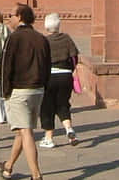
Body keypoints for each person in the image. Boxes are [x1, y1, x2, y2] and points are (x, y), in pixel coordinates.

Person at [0, 3, 50, 180]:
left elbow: (6, 66)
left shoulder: (14, 38)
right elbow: (47, 66)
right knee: (21, 130)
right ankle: (8, 167)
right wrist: (43, 88)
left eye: (11, 15)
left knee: (26, 132)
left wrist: (5, 92)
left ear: (19, 17)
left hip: (19, 90)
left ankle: (36, 174)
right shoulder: (41, 38)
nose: (9, 18)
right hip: (38, 90)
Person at [39, 12, 79, 148]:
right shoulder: (67, 38)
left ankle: (48, 138)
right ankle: (69, 129)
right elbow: (74, 57)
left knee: (47, 107)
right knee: (63, 104)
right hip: (66, 76)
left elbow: (40, 61)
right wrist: (72, 70)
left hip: (49, 77)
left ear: (46, 27)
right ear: (59, 25)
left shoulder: (44, 41)